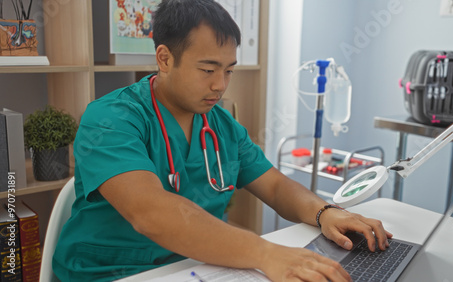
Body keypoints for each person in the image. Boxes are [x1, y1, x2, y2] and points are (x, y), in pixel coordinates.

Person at [52, 0, 392, 281]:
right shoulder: (111, 118)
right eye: (208, 69)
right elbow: (151, 214)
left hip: (200, 266)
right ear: (165, 58)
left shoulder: (221, 126)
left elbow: (274, 186)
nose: (220, 85)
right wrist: (264, 252)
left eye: (229, 70)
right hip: (112, 273)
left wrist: (325, 212)